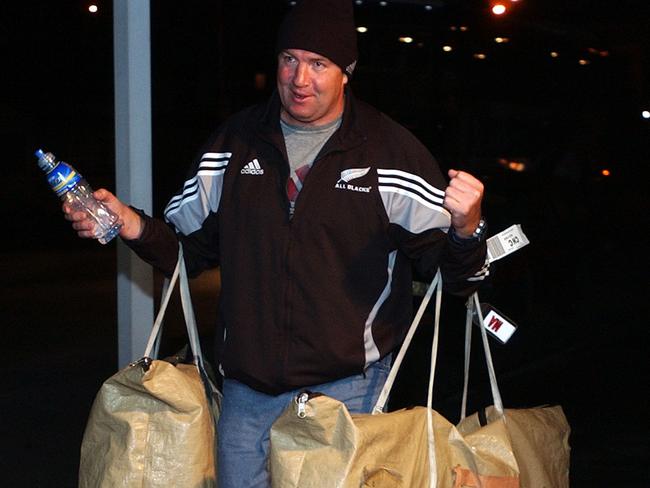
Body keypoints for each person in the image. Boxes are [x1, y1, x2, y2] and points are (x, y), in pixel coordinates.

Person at [65, 0, 489, 486]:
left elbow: (455, 279)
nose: (300, 78)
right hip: (248, 390)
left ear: (346, 71)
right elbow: (187, 250)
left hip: (347, 389)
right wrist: (129, 223)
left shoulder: (391, 155)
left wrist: (465, 228)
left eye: (318, 63)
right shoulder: (233, 144)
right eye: (290, 58)